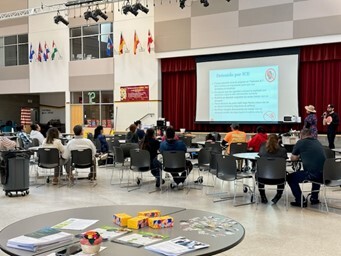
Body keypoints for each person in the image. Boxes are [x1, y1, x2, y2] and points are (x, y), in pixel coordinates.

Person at [288, 128, 326, 207]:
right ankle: (314, 198)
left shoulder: (300, 142)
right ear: (310, 134)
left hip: (312, 174)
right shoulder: (317, 142)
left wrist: (299, 155)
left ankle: (300, 200)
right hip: (325, 175)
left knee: (290, 178)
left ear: (301, 135)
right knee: (317, 170)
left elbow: (293, 158)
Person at [258, 134, 288, 204]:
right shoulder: (283, 150)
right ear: (278, 140)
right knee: (281, 171)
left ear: (267, 140)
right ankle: (278, 195)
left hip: (262, 178)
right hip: (279, 179)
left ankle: (263, 196)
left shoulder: (262, 148)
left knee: (260, 171)